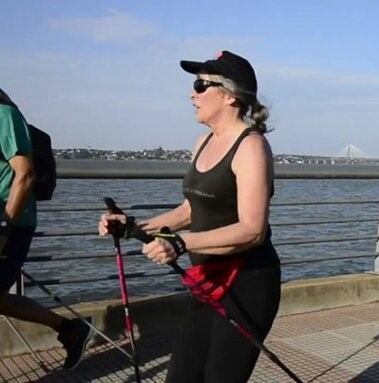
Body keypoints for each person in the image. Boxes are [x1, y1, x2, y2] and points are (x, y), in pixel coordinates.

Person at [99, 50, 281, 382]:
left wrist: (181, 242)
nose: (191, 94)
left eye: (200, 85)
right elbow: (190, 211)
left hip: (248, 285)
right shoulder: (203, 142)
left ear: (229, 95)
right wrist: (133, 227)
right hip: (209, 281)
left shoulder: (251, 147)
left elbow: (253, 229)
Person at [0, 88, 93, 369]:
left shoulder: (4, 114)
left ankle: (71, 329)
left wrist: (4, 229)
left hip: (10, 223)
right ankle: (70, 329)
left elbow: (24, 174)